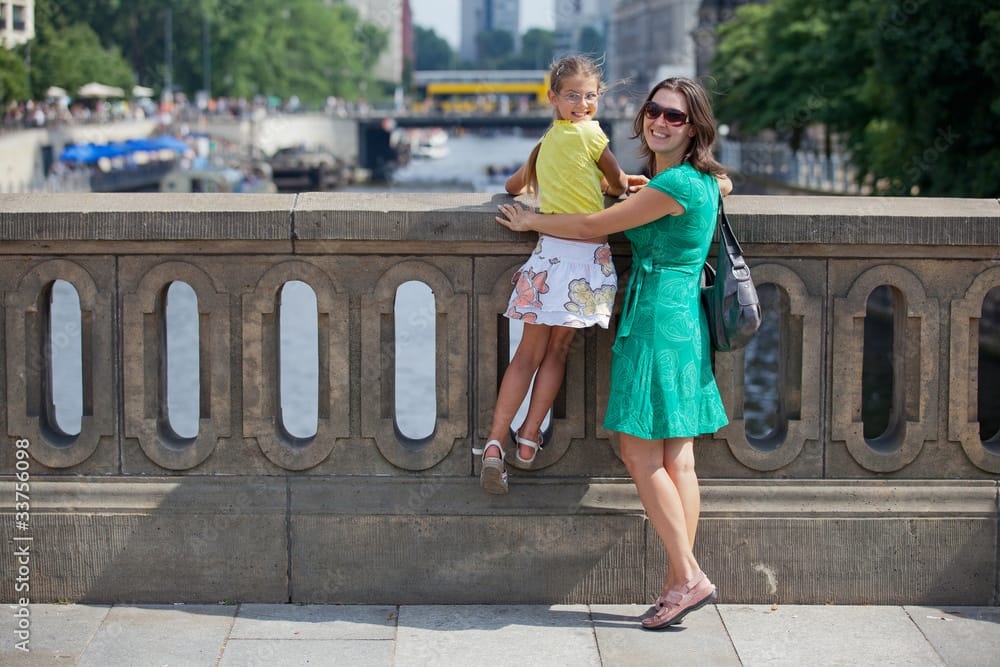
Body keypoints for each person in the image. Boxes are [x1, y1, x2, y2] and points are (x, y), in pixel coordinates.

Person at [496, 77, 733, 629]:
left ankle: (689, 575)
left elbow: (592, 226)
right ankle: (678, 583)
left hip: (654, 320)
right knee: (678, 458)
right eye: (654, 111)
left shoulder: (672, 184)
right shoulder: (698, 181)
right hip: (685, 322)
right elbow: (712, 189)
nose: (660, 122)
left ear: (694, 127)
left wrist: (533, 221)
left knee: (638, 454)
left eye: (674, 117)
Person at [475, 55, 628, 495]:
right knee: (558, 351)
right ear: (556, 97)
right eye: (575, 96)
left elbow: (513, 187)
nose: (583, 104)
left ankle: (492, 444)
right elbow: (617, 185)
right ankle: (528, 439)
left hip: (549, 258)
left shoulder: (546, 141)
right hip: (587, 261)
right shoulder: (595, 134)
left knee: (526, 355)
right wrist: (604, 185)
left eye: (590, 96)